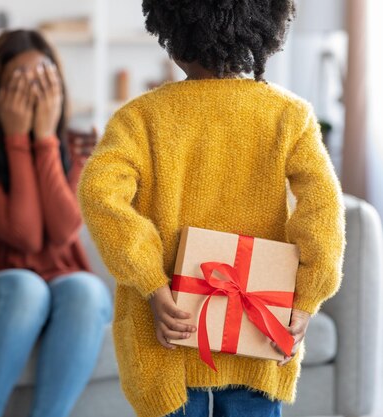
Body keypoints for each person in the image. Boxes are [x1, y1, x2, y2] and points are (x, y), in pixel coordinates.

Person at [77, 1, 346, 417]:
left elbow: (99, 194)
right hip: (259, 327)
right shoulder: (290, 117)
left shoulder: (140, 118)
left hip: (167, 330)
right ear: (264, 29)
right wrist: (306, 299)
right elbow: (323, 212)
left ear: (170, 32)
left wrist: (152, 281)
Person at [0, 29, 113, 417]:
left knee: (87, 290)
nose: (34, 92)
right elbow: (25, 236)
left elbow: (63, 230)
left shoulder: (76, 148)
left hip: (63, 283)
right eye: (20, 82)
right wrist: (17, 139)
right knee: (27, 288)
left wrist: (45, 140)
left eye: (44, 79)